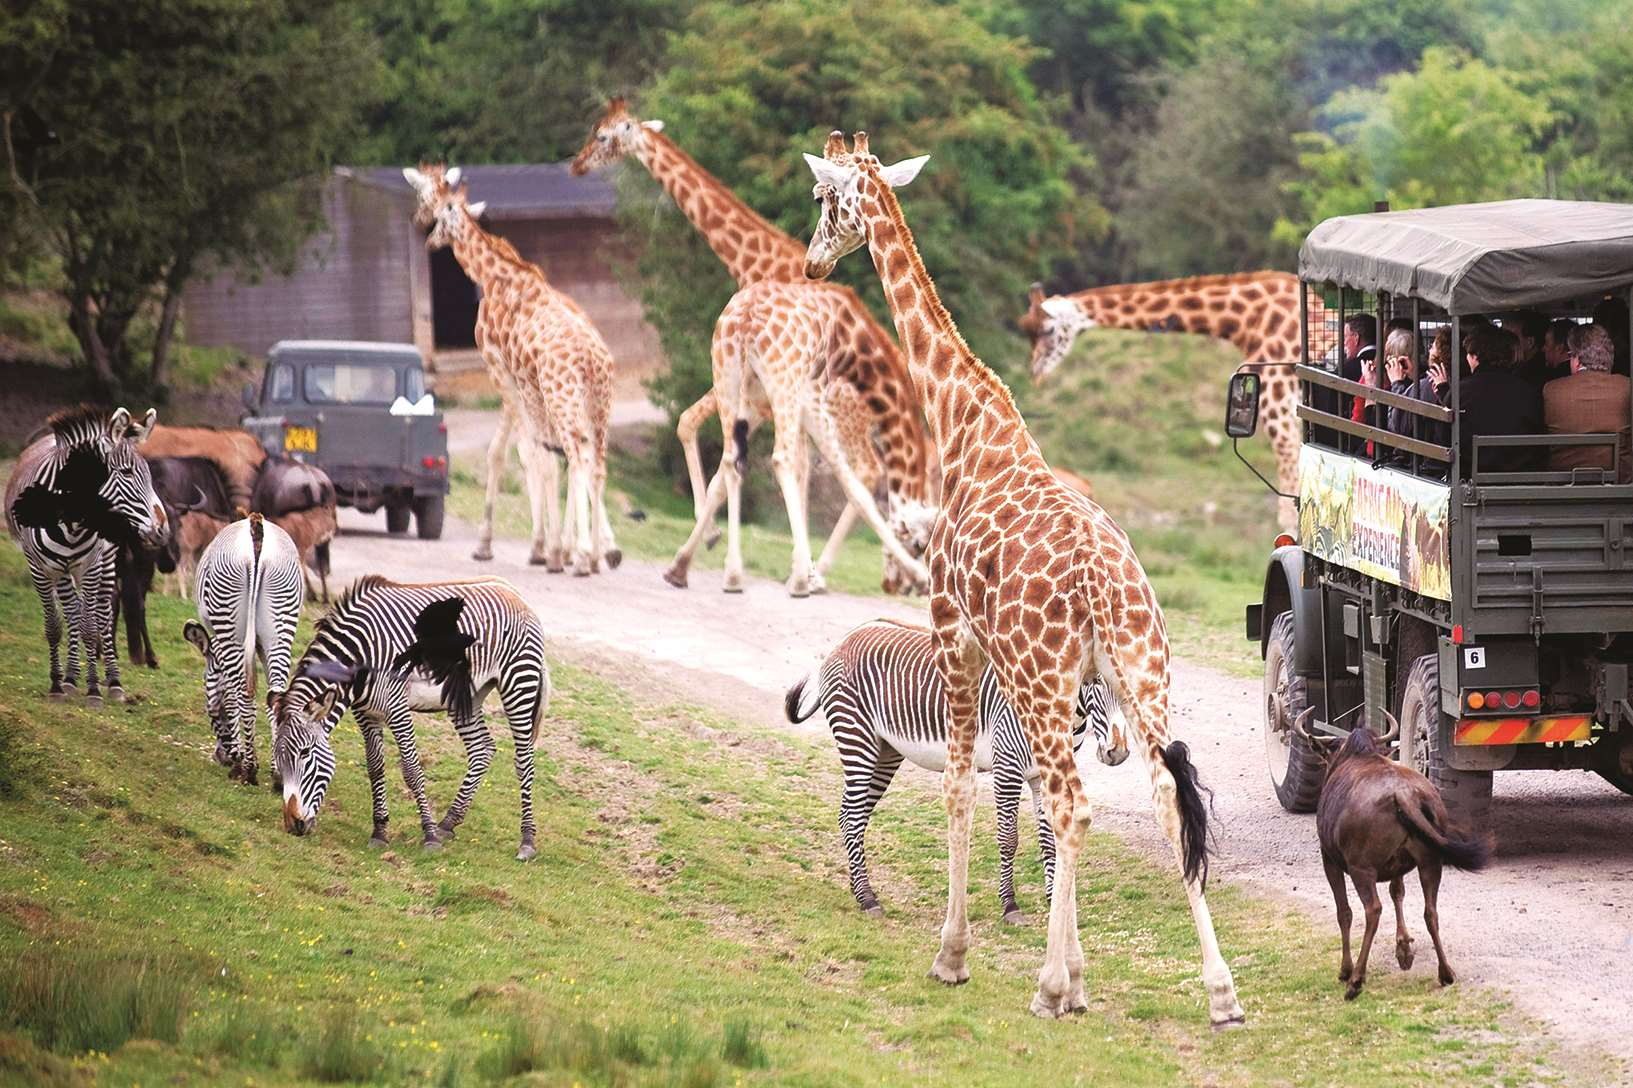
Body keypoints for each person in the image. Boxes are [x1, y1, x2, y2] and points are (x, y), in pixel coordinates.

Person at [1543, 324, 1632, 482]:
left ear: (1577, 359)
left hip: (1564, 488)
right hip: (1620, 486)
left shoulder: (1552, 389)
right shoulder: (1627, 387)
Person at [1459, 324, 1542, 474]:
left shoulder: (1459, 392)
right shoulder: (1528, 391)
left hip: (1470, 476)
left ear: (1475, 356)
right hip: (1521, 476)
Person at [1506, 311, 1550, 388]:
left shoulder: (1528, 377)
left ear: (1530, 342)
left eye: (1511, 337)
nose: (1506, 343)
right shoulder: (1517, 368)